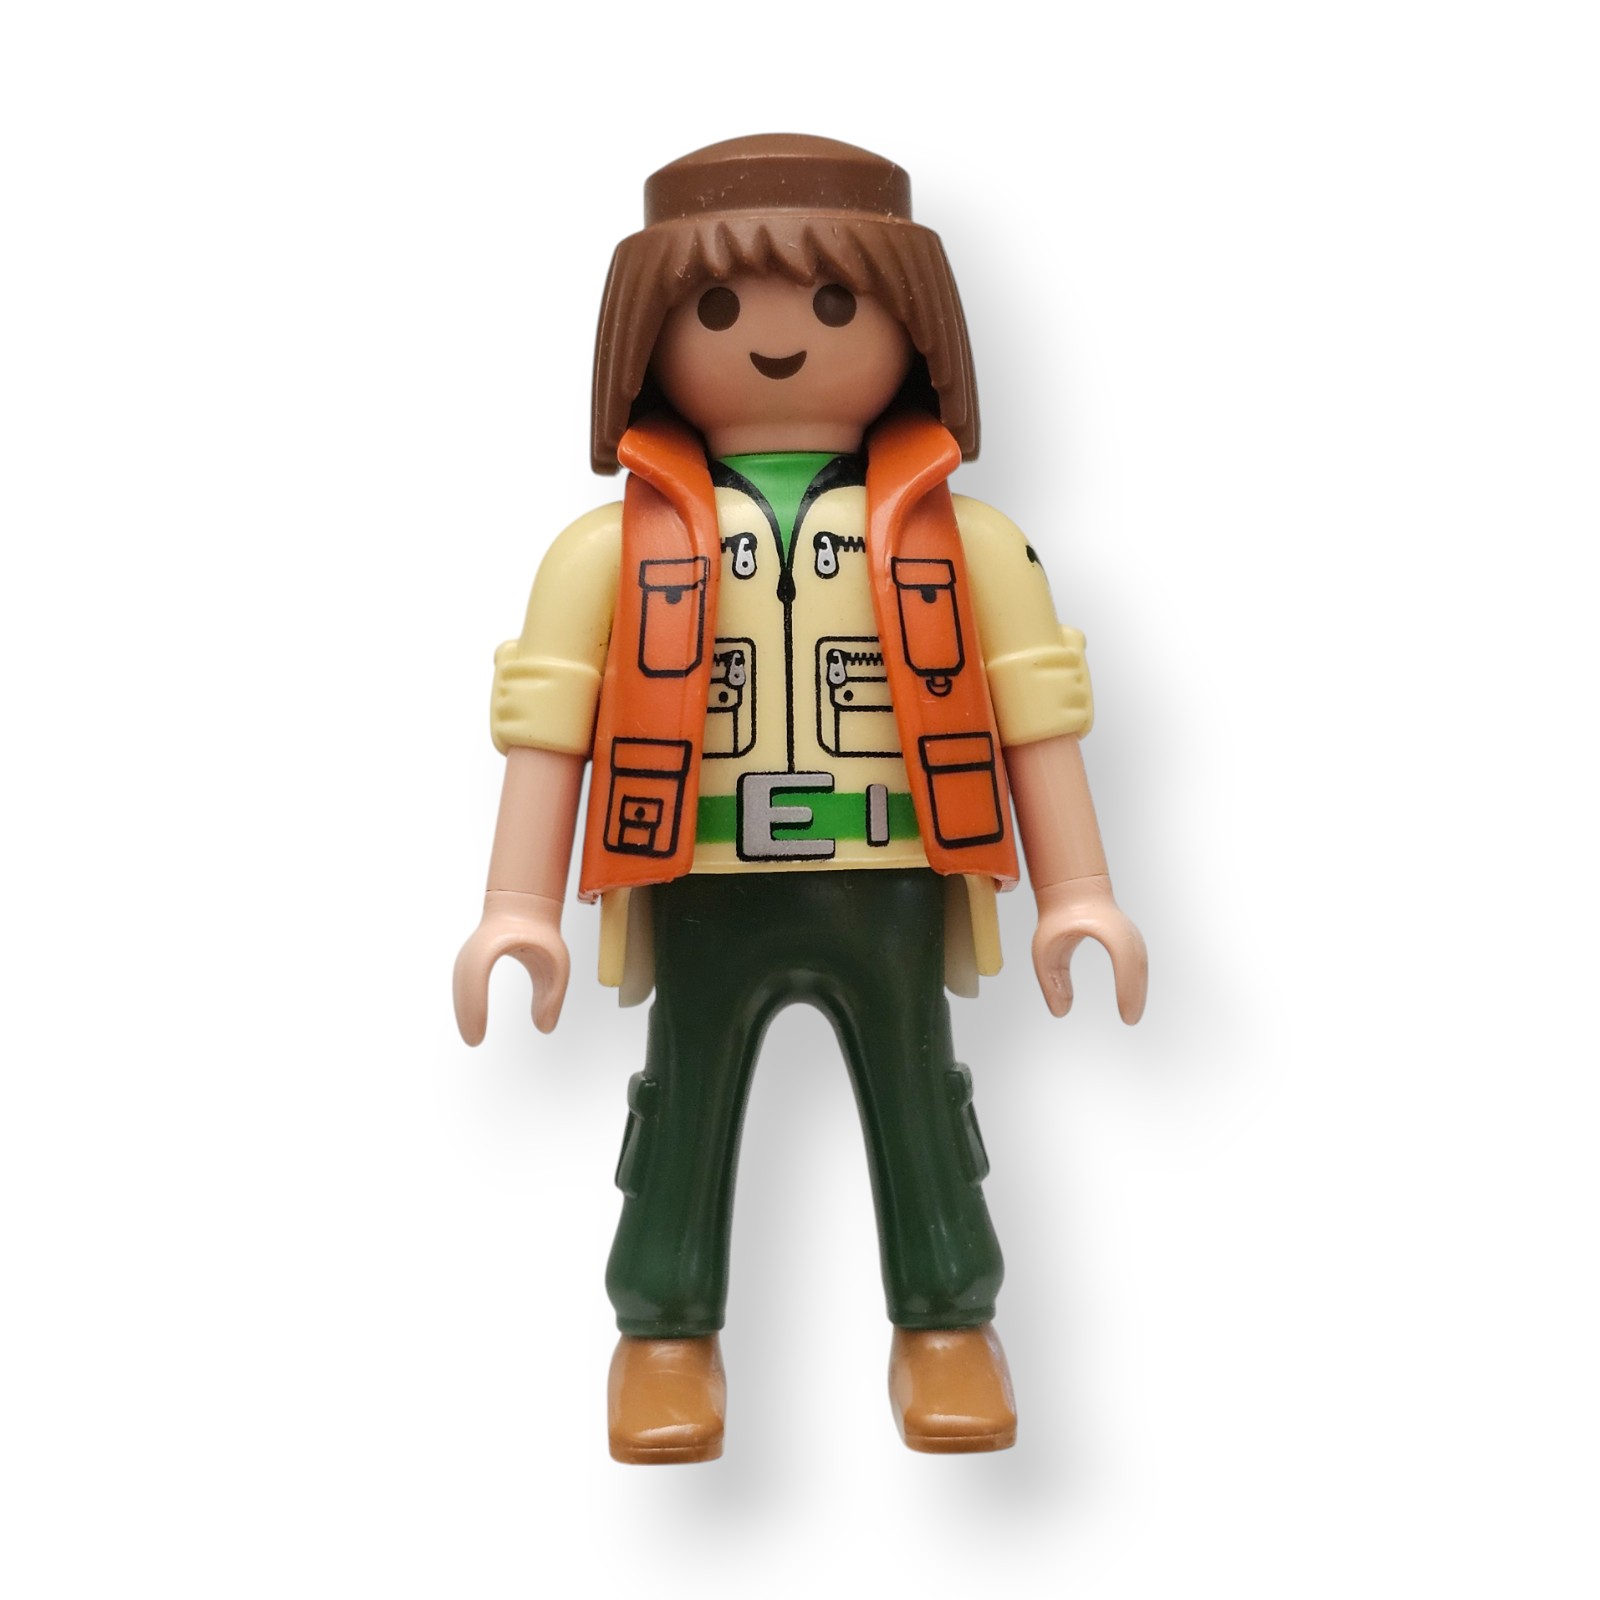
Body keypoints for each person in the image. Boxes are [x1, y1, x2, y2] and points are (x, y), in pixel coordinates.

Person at [453, 134, 1147, 1463]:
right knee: (682, 1105)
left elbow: (1035, 711)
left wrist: (1079, 892)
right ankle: (663, 1334)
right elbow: (546, 725)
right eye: (716, 308)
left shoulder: (968, 542)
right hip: (698, 880)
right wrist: (516, 908)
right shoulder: (607, 551)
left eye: (836, 303)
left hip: (892, 880)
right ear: (648, 336)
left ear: (914, 326)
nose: (778, 339)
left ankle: (947, 1321)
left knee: (919, 1098)